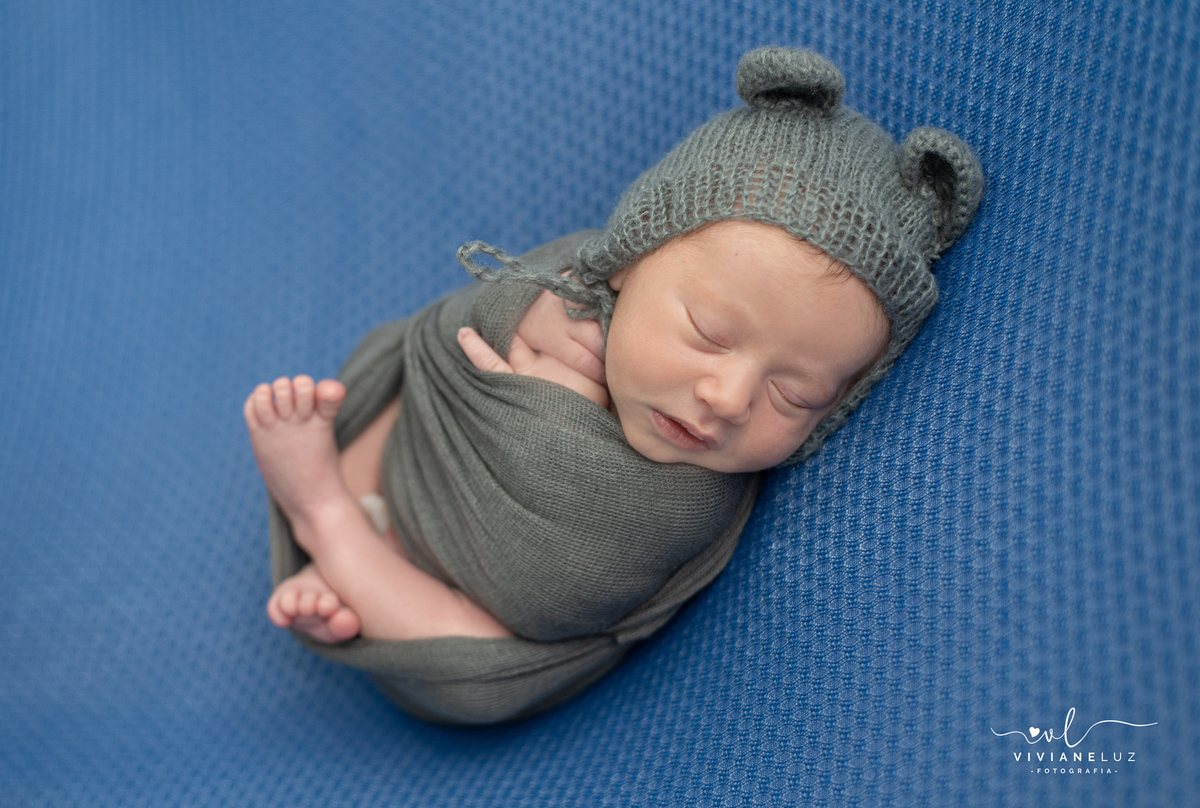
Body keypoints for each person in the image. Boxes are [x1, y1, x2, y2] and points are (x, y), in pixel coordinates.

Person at [245, 47, 983, 723]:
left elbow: (556, 594)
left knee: (479, 677)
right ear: (626, 263)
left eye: (796, 397)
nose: (726, 399)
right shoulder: (574, 285)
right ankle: (360, 523)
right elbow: (454, 334)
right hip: (417, 470)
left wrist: (548, 428)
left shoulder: (694, 496)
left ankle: (327, 520)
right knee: (413, 354)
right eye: (707, 333)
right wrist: (522, 310)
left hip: (491, 607)